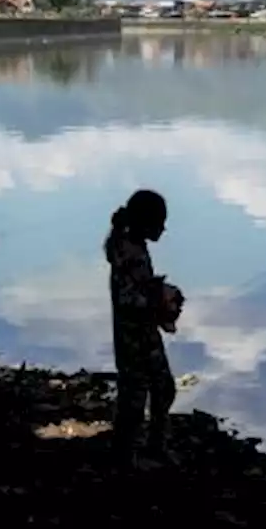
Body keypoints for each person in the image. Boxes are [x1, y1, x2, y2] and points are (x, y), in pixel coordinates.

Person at [104, 189, 184, 467]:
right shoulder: (128, 251)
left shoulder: (132, 245)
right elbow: (127, 299)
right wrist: (160, 301)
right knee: (134, 399)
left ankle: (154, 446)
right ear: (146, 223)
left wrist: (158, 293)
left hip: (145, 334)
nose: (163, 228)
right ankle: (124, 456)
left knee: (164, 388)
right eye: (160, 222)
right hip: (132, 338)